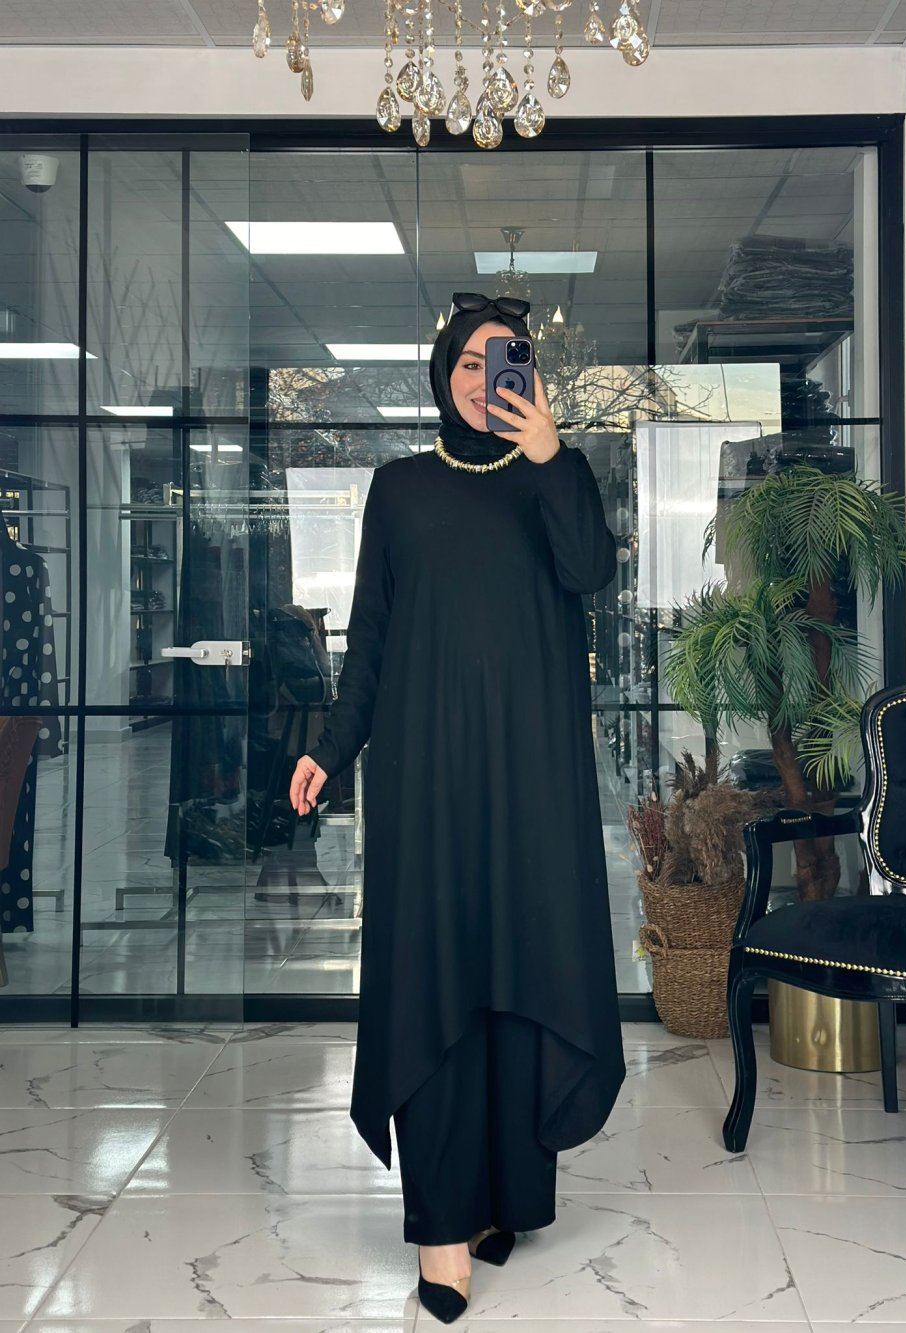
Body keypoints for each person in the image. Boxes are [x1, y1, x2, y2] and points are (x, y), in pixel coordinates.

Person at [289, 293, 626, 1324]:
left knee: (520, 978)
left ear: (531, 377)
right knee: (436, 979)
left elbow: (592, 572)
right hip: (427, 779)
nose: (485, 381)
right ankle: (441, 1222)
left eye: (504, 362)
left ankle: (502, 1197)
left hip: (532, 780)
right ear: (443, 375)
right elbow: (370, 639)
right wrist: (328, 748)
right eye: (469, 364)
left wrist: (553, 457)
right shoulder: (400, 487)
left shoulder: (555, 477)